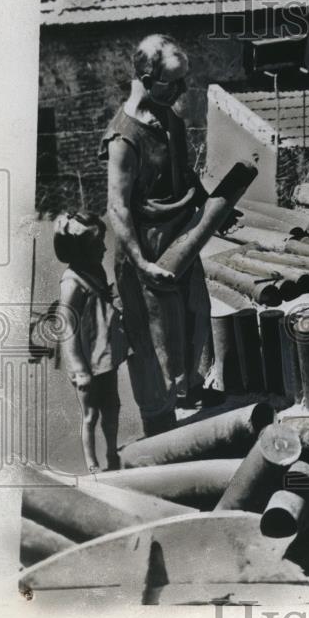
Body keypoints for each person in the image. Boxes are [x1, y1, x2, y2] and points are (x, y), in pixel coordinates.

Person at [100, 34, 232, 436]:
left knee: (194, 319)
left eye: (183, 79)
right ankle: (161, 428)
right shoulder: (125, 138)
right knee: (156, 342)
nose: (182, 89)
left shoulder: (169, 118)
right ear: (144, 77)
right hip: (146, 254)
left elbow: (185, 176)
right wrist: (140, 264)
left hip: (184, 242)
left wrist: (213, 208)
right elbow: (117, 208)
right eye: (173, 81)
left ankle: (190, 390)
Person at [53, 211, 127, 472]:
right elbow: (67, 325)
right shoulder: (72, 282)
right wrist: (77, 367)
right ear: (81, 250)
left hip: (103, 354)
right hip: (85, 360)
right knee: (90, 415)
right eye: (98, 245)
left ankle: (111, 453)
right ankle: (92, 463)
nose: (105, 248)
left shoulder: (93, 270)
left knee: (112, 407)